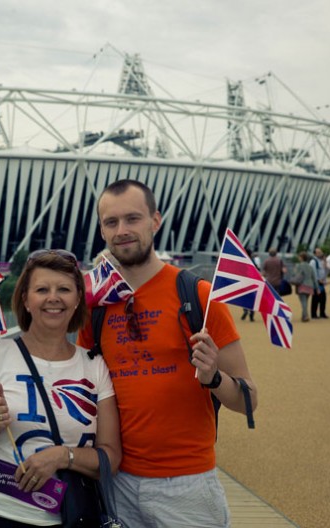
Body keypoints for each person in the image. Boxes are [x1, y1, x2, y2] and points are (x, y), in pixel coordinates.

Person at [77, 179, 257, 528]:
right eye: (111, 222)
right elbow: (83, 394)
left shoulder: (199, 297)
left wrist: (213, 378)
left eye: (133, 219)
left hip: (188, 488)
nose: (122, 230)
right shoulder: (96, 306)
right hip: (118, 484)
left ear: (155, 221)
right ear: (101, 230)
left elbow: (249, 399)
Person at [0, 250, 121, 527]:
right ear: (26, 300)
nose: (53, 297)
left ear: (78, 299)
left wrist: (61, 456)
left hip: (67, 518)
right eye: (42, 289)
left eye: (64, 289)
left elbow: (110, 458)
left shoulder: (94, 367)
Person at [292, 251, 319, 322]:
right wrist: (317, 288)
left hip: (302, 285)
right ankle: (303, 315)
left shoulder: (299, 266)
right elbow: (314, 277)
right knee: (306, 301)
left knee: (303, 302)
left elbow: (296, 275)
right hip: (310, 285)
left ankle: (305, 316)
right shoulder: (310, 266)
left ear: (301, 258)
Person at [241, 251, 262, 322]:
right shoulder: (252, 261)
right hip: (252, 282)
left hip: (244, 282)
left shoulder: (242, 261)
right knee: (253, 299)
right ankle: (251, 314)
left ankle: (245, 310)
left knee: (244, 298)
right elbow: (257, 270)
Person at [310, 248, 328, 319]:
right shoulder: (313, 261)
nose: (320, 253)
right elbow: (313, 272)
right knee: (316, 298)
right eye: (318, 252)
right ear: (315, 254)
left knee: (323, 298)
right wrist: (317, 280)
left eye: (321, 252)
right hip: (316, 282)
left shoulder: (321, 261)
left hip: (322, 282)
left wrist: (325, 261)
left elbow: (325, 271)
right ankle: (314, 314)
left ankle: (322, 313)